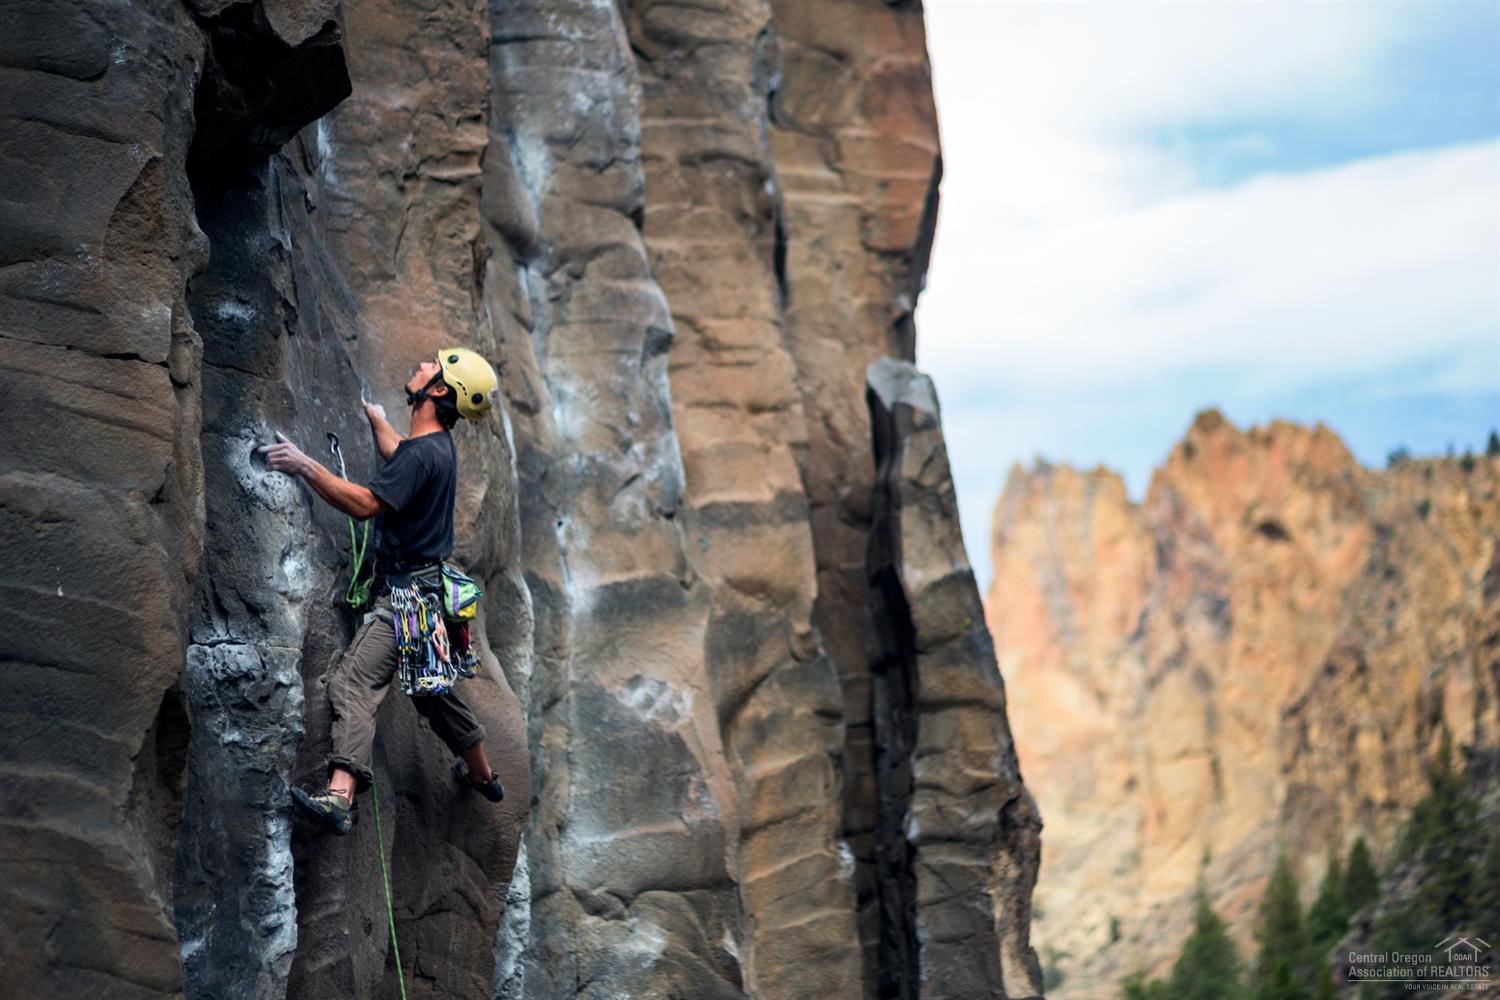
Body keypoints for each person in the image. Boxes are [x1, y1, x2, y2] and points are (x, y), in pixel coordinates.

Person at [259, 348, 506, 835]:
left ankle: (339, 797)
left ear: (437, 391)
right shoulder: (436, 449)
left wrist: (305, 466)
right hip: (430, 597)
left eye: (430, 367)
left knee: (353, 683)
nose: (418, 364)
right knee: (433, 694)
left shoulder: (423, 455)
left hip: (403, 603)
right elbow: (401, 460)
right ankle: (483, 776)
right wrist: (377, 421)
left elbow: (369, 504)